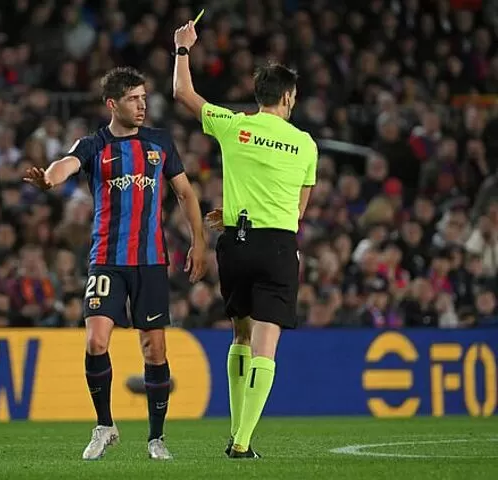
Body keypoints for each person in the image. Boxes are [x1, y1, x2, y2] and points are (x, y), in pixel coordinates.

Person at [24, 66, 206, 460]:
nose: (142, 106)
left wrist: (199, 242)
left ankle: (156, 438)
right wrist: (50, 180)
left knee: (154, 349)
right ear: (112, 104)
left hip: (150, 261)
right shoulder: (95, 145)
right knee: (95, 340)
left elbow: (185, 194)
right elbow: (66, 164)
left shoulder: (159, 142)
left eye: (143, 98)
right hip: (106, 259)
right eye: (133, 99)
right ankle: (105, 425)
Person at [173, 22, 317, 458]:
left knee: (240, 334)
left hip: (235, 242)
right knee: (266, 344)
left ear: (258, 95)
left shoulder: (234, 126)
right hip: (277, 246)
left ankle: (236, 431)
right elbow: (297, 211)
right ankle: (241, 441)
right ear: (287, 97)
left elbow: (183, 93)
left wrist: (182, 48)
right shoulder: (305, 144)